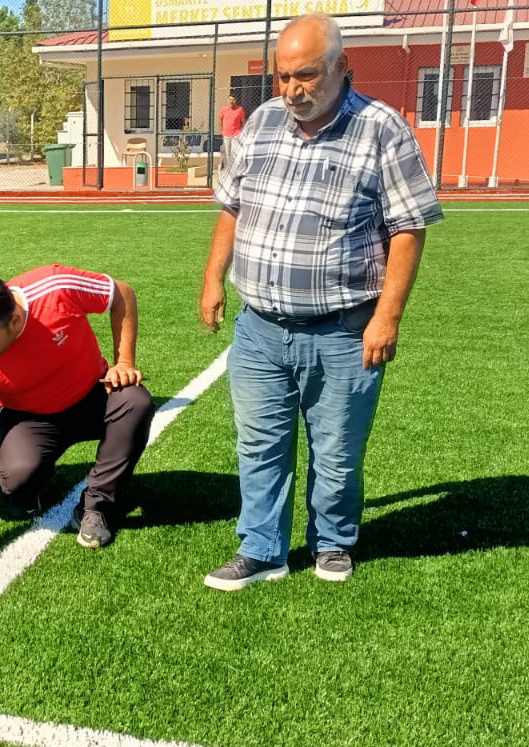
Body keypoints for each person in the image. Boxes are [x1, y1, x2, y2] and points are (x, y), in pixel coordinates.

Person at [199, 14, 442, 590]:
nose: (291, 90)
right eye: (283, 77)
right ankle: (262, 549)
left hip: (342, 329)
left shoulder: (382, 129)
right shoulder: (259, 124)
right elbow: (232, 207)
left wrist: (387, 316)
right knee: (258, 445)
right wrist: (213, 278)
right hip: (259, 327)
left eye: (305, 76)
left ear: (342, 69)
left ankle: (332, 542)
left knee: (335, 452)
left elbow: (409, 227)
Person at [0, 266, 154, 566]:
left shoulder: (56, 288)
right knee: (17, 479)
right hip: (29, 418)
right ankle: (31, 483)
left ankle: (97, 506)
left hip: (91, 395)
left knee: (135, 401)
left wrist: (125, 361)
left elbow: (122, 294)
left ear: (14, 320)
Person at [218, 94, 246, 170]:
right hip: (226, 135)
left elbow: (243, 121)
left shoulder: (240, 109)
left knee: (235, 153)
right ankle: (228, 169)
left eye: (233, 100)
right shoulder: (223, 109)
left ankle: (235, 169)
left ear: (235, 100)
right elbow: (220, 120)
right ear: (228, 100)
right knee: (227, 153)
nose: (231, 101)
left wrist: (242, 132)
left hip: (236, 135)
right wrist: (222, 131)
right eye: (230, 99)